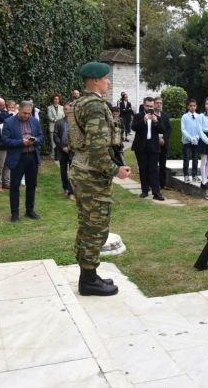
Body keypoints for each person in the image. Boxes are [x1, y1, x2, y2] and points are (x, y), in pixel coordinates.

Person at [69, 62, 131, 297]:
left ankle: (89, 275)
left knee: (87, 225)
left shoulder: (80, 103)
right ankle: (88, 281)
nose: (109, 82)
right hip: (91, 176)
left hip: (83, 172)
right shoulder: (94, 106)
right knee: (95, 226)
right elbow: (97, 149)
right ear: (94, 81)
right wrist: (116, 171)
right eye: (106, 79)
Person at [2, 101, 44, 222]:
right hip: (18, 158)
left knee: (32, 185)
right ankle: (15, 213)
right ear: (18, 110)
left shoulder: (35, 121)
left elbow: (41, 137)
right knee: (14, 186)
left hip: (32, 157)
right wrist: (21, 142)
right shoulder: (8, 122)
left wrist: (35, 140)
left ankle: (30, 211)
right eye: (24, 113)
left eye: (29, 113)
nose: (26, 115)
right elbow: (5, 140)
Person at [132, 97, 166, 200]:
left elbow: (162, 129)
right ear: (143, 105)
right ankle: (144, 191)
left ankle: (156, 193)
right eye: (147, 106)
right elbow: (134, 128)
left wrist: (156, 122)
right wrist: (144, 120)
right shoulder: (138, 116)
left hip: (153, 147)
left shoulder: (157, 117)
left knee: (154, 170)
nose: (149, 108)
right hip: (141, 146)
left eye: (151, 106)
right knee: (143, 169)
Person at [53, 102, 75, 200]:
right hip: (62, 150)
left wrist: (70, 146)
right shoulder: (59, 122)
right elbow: (55, 136)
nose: (67, 111)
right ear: (63, 110)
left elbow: (78, 136)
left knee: (72, 171)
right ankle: (65, 187)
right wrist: (62, 147)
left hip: (72, 150)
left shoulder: (75, 123)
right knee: (63, 171)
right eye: (65, 109)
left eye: (69, 109)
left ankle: (71, 192)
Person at [154, 96, 171, 190]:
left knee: (162, 165)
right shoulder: (150, 115)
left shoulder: (165, 115)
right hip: (154, 143)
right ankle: (152, 184)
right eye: (157, 103)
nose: (159, 104)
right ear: (154, 104)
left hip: (164, 144)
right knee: (153, 165)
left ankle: (163, 184)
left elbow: (169, 129)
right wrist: (157, 138)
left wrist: (163, 138)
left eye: (160, 103)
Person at [181, 98, 199, 183]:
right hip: (187, 141)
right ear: (188, 107)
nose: (192, 107)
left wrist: (196, 138)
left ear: (196, 106)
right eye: (191, 106)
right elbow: (183, 130)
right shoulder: (184, 117)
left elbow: (200, 129)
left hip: (196, 141)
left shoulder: (198, 116)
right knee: (186, 159)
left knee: (195, 159)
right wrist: (190, 138)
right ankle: (186, 175)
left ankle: (194, 175)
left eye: (194, 106)